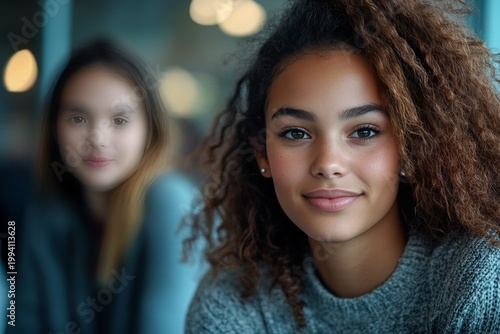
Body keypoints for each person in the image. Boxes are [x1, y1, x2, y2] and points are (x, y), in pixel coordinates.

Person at [184, 0, 500, 332]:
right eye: (296, 133)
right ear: (263, 154)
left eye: (364, 131)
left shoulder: (480, 279)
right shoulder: (232, 305)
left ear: (411, 148)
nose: (328, 164)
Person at [11, 40, 199, 334]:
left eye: (120, 120)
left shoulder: (170, 202)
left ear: (150, 131)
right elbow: (19, 323)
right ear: (54, 128)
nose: (97, 138)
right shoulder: (47, 212)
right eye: (78, 118)